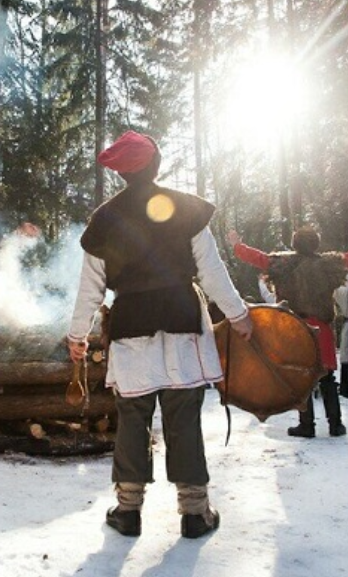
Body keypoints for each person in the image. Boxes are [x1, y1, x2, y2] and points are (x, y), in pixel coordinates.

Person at [67, 130, 253, 539]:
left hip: (131, 325)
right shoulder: (184, 208)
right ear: (155, 165)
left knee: (133, 418)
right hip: (181, 320)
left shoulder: (105, 219)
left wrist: (77, 335)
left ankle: (128, 511)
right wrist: (239, 315)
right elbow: (212, 272)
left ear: (123, 174)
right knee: (183, 416)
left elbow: (90, 288)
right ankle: (195, 513)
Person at [226, 226, 348, 438]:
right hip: (322, 328)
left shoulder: (281, 264)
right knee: (327, 377)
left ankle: (306, 425)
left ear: (294, 244)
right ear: (316, 243)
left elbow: (257, 258)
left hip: (294, 328)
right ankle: (336, 424)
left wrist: (237, 244)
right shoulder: (328, 265)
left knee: (302, 378)